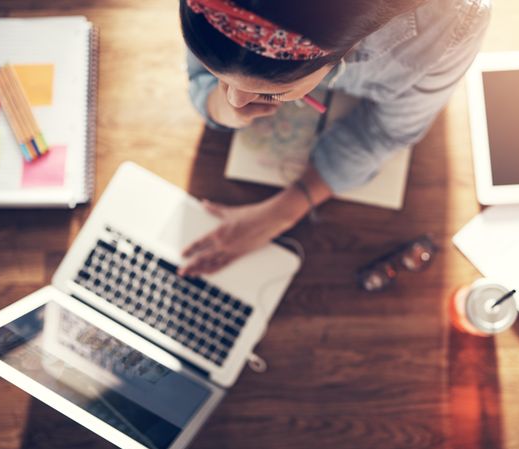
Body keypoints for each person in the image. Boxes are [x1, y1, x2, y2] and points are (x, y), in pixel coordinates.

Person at [178, 0, 491, 276]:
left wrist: (285, 211)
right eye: (219, 74)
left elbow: (385, 132)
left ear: (347, 47)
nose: (235, 99)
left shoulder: (452, 25)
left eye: (274, 92)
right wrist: (221, 109)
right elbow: (203, 80)